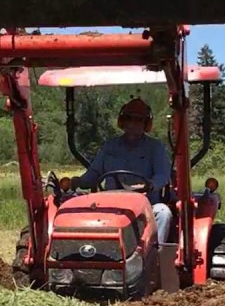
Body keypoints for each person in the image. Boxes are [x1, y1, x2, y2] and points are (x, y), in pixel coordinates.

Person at [70, 97, 173, 245]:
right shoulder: (109, 147)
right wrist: (79, 181)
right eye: (128, 119)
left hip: (146, 205)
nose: (132, 124)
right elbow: (94, 173)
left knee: (163, 213)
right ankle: (92, 254)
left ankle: (155, 255)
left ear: (146, 124)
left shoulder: (155, 148)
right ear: (122, 121)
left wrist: (150, 185)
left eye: (138, 120)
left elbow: (162, 175)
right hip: (111, 204)